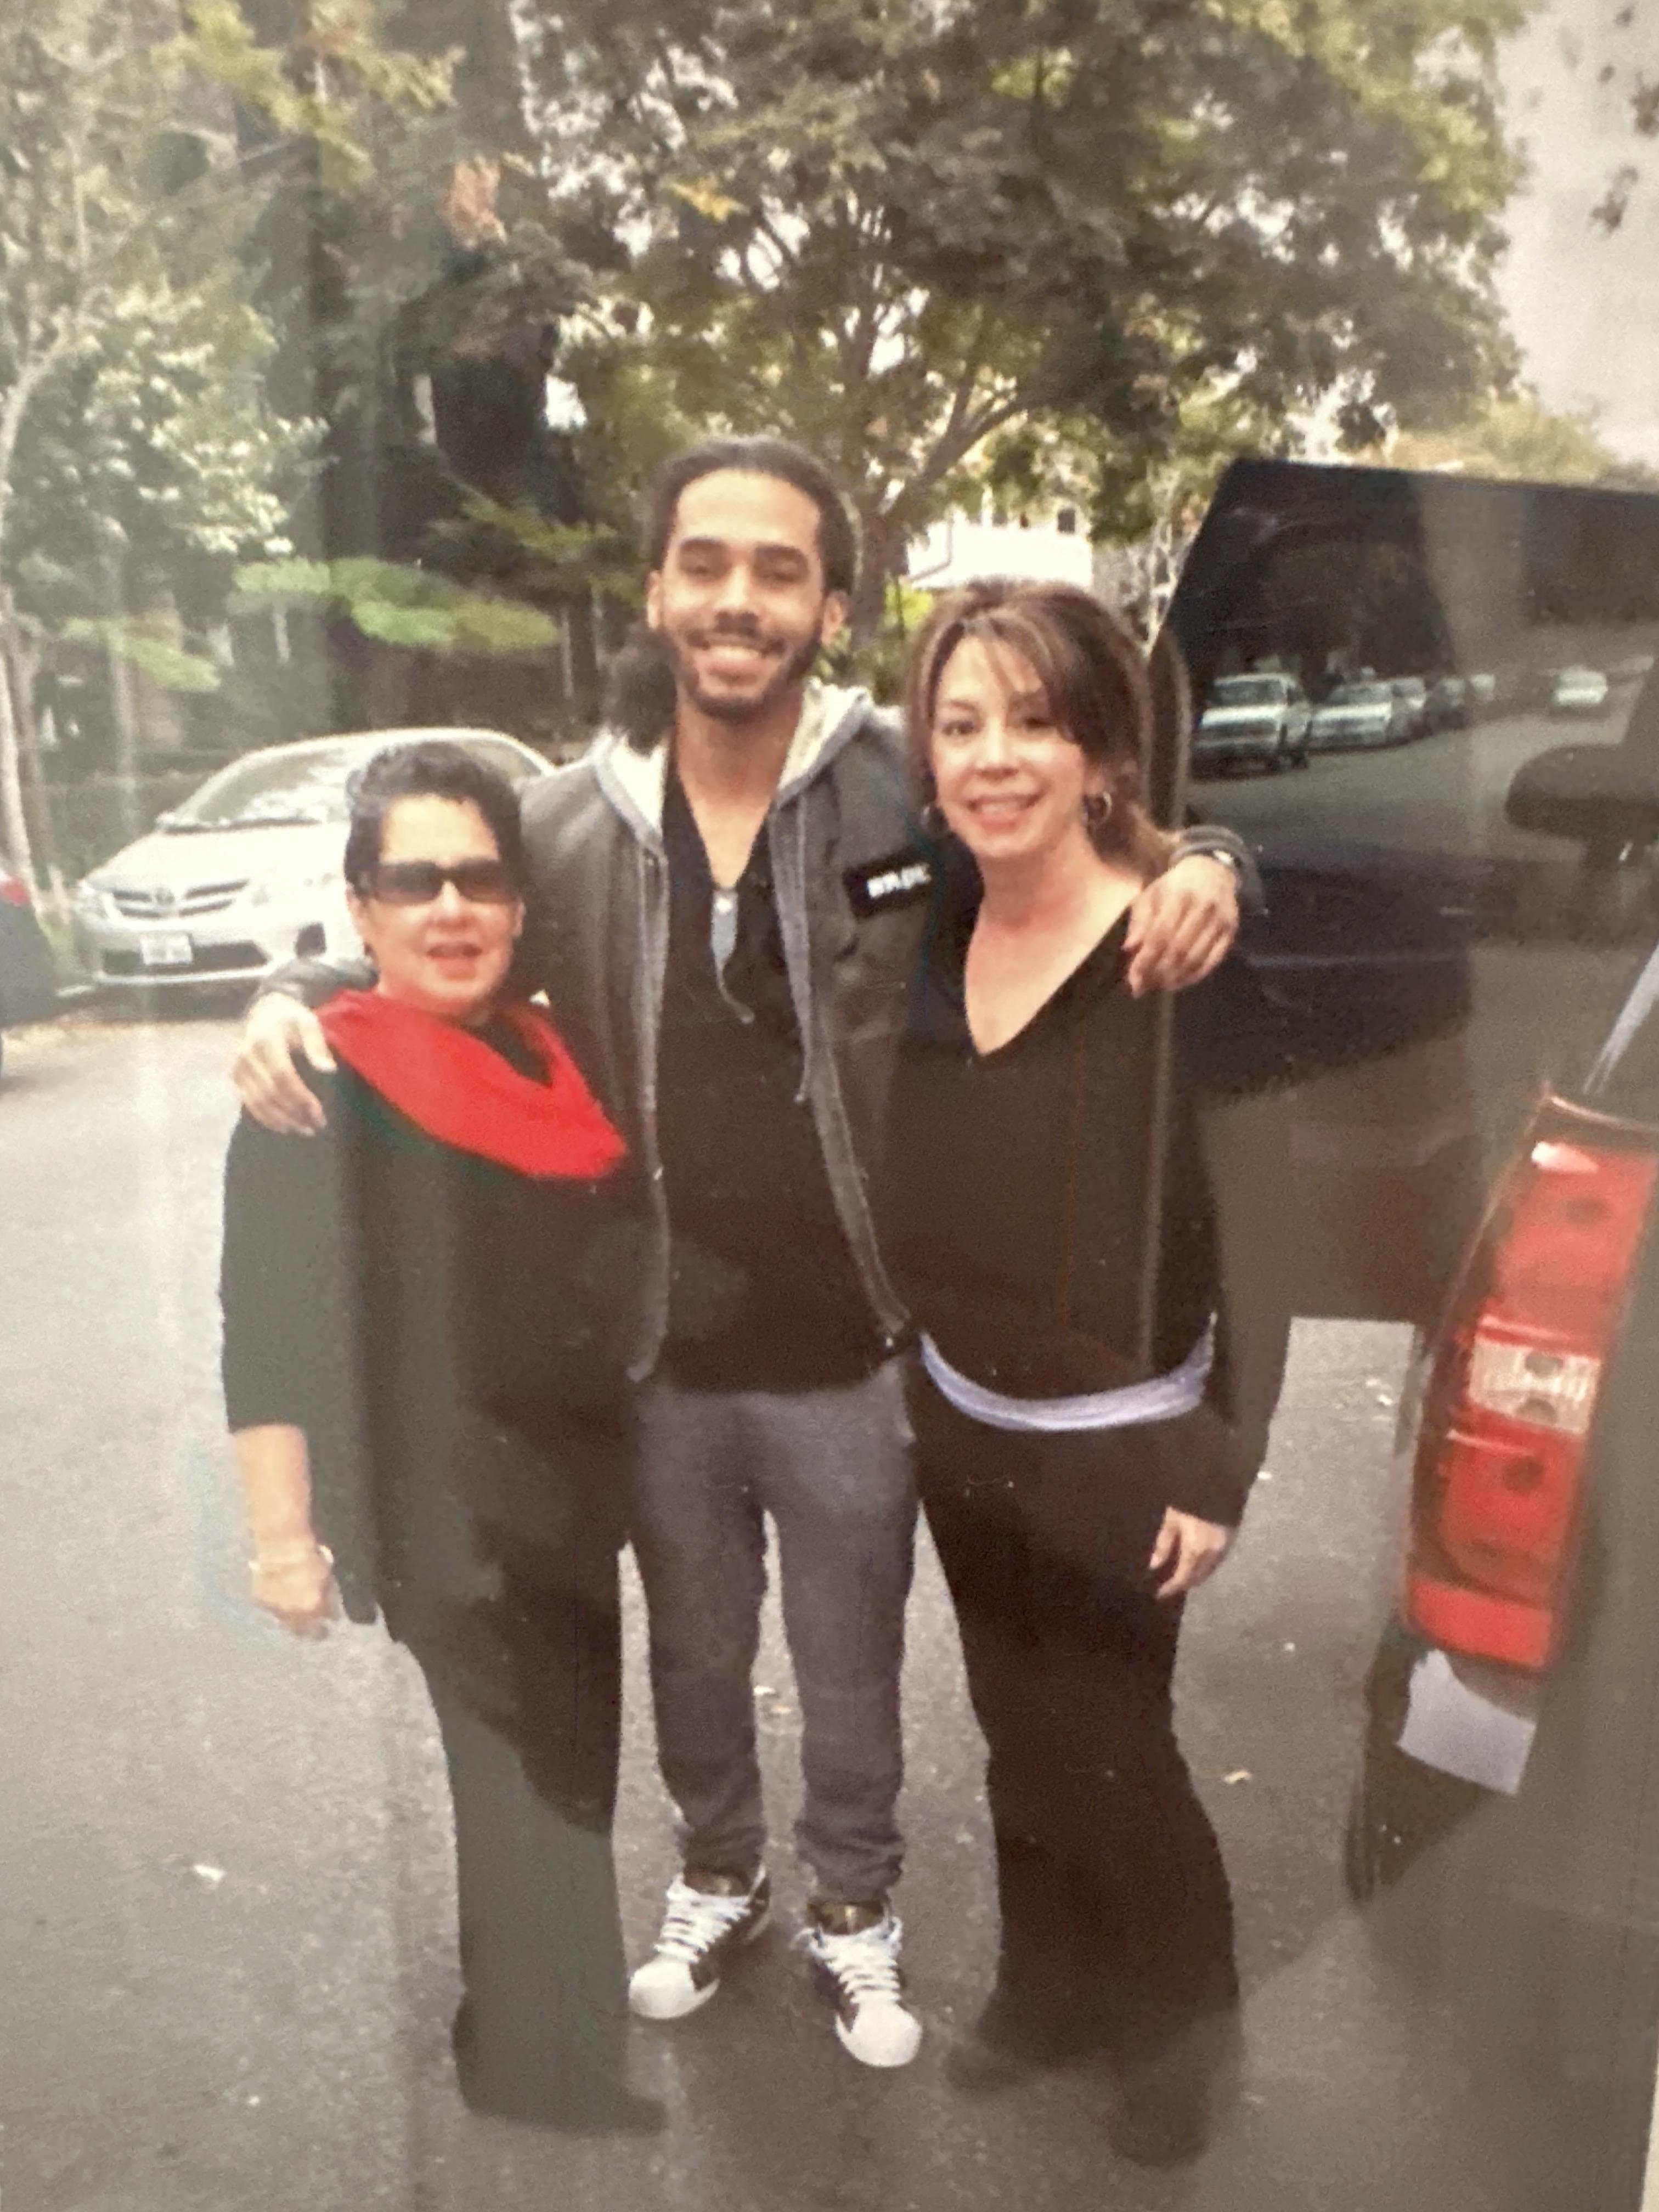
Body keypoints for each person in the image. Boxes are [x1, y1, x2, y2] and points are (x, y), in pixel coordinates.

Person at [229, 436, 1251, 2070]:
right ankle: (723, 1880)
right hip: (651, 1359)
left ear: (830, 606)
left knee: (856, 1674)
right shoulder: (561, 824)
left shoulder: (899, 788)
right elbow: (427, 932)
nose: (738, 599)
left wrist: (1215, 863)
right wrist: (280, 992)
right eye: (706, 562)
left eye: (781, 570)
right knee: (697, 1664)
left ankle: (857, 1912)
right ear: (656, 589)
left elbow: (1070, 827)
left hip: (858, 1349)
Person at [878, 579, 1265, 2160]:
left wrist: (1224, 1466)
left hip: (1126, 1441)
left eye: (1035, 722)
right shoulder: (937, 911)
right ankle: (1049, 1991)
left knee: (1119, 1747)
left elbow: (1270, 1227)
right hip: (963, 1420)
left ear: (1102, 751)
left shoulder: (1179, 947)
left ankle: (1184, 2038)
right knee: (1015, 1722)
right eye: (962, 724)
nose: (995, 757)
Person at [221, 741, 658, 2133]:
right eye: (413, 881)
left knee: (570, 1760)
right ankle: (546, 2070)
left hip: (578, 1497)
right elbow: (267, 1332)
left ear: (521, 903)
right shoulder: (317, 1088)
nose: (450, 908)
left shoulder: (544, 1053)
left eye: (478, 877)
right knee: (524, 1772)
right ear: (361, 910)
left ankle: (525, 2027)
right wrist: (283, 1541)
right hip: (442, 1511)